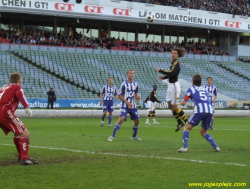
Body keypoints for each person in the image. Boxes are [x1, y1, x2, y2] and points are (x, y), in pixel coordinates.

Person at [0, 72, 39, 165]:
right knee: (25, 133)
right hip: (6, 113)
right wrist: (27, 108)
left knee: (18, 133)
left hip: (1, 112)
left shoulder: (3, 88)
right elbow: (21, 96)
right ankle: (24, 158)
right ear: (19, 81)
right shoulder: (17, 87)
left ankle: (21, 155)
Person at [177, 74, 220, 152]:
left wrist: (178, 103)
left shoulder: (191, 89)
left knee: (186, 128)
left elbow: (183, 103)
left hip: (199, 110)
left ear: (193, 81)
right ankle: (216, 147)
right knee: (203, 132)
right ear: (201, 82)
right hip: (209, 111)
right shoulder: (204, 89)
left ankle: (185, 147)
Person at [156, 48, 188, 132]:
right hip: (170, 85)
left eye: (175, 53)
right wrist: (164, 77)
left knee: (175, 106)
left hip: (174, 86)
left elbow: (172, 73)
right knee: (170, 105)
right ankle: (179, 122)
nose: (173, 54)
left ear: (177, 55)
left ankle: (187, 122)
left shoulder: (177, 63)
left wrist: (161, 71)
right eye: (172, 53)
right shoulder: (173, 62)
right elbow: (172, 74)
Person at [108, 69, 141, 142]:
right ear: (127, 74)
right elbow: (119, 95)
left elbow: (136, 94)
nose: (132, 75)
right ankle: (112, 135)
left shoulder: (135, 84)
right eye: (130, 73)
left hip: (132, 105)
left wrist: (137, 97)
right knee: (121, 118)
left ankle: (134, 136)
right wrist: (127, 102)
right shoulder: (123, 84)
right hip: (124, 105)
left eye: (133, 73)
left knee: (137, 121)